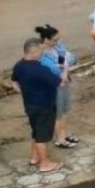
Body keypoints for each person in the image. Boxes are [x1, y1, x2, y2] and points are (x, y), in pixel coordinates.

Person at [11, 38, 64, 172]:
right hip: (44, 106)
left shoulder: (18, 66)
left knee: (36, 131)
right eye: (41, 50)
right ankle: (45, 164)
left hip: (30, 105)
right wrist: (65, 69)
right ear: (34, 52)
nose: (42, 53)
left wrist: (25, 92)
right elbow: (59, 83)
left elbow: (14, 82)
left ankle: (34, 158)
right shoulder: (41, 70)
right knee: (42, 136)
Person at [36, 25, 78, 149]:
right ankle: (59, 138)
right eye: (54, 39)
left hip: (64, 83)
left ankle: (63, 134)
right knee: (57, 113)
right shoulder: (41, 54)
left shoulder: (58, 46)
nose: (57, 42)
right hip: (53, 86)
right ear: (46, 39)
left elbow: (72, 59)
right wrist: (63, 65)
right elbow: (54, 70)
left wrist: (63, 65)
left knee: (64, 110)